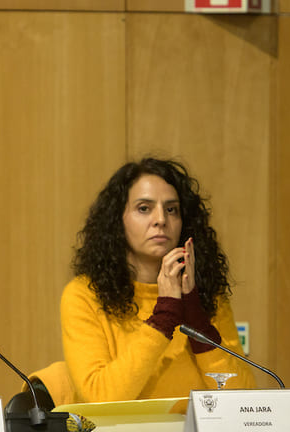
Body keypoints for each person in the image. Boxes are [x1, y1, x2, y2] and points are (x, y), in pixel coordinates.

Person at [60, 157, 255, 402]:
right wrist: (164, 317)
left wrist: (196, 319)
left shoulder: (205, 296)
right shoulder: (84, 295)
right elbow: (100, 398)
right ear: (117, 220)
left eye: (171, 209)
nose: (161, 219)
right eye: (144, 208)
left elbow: (244, 401)